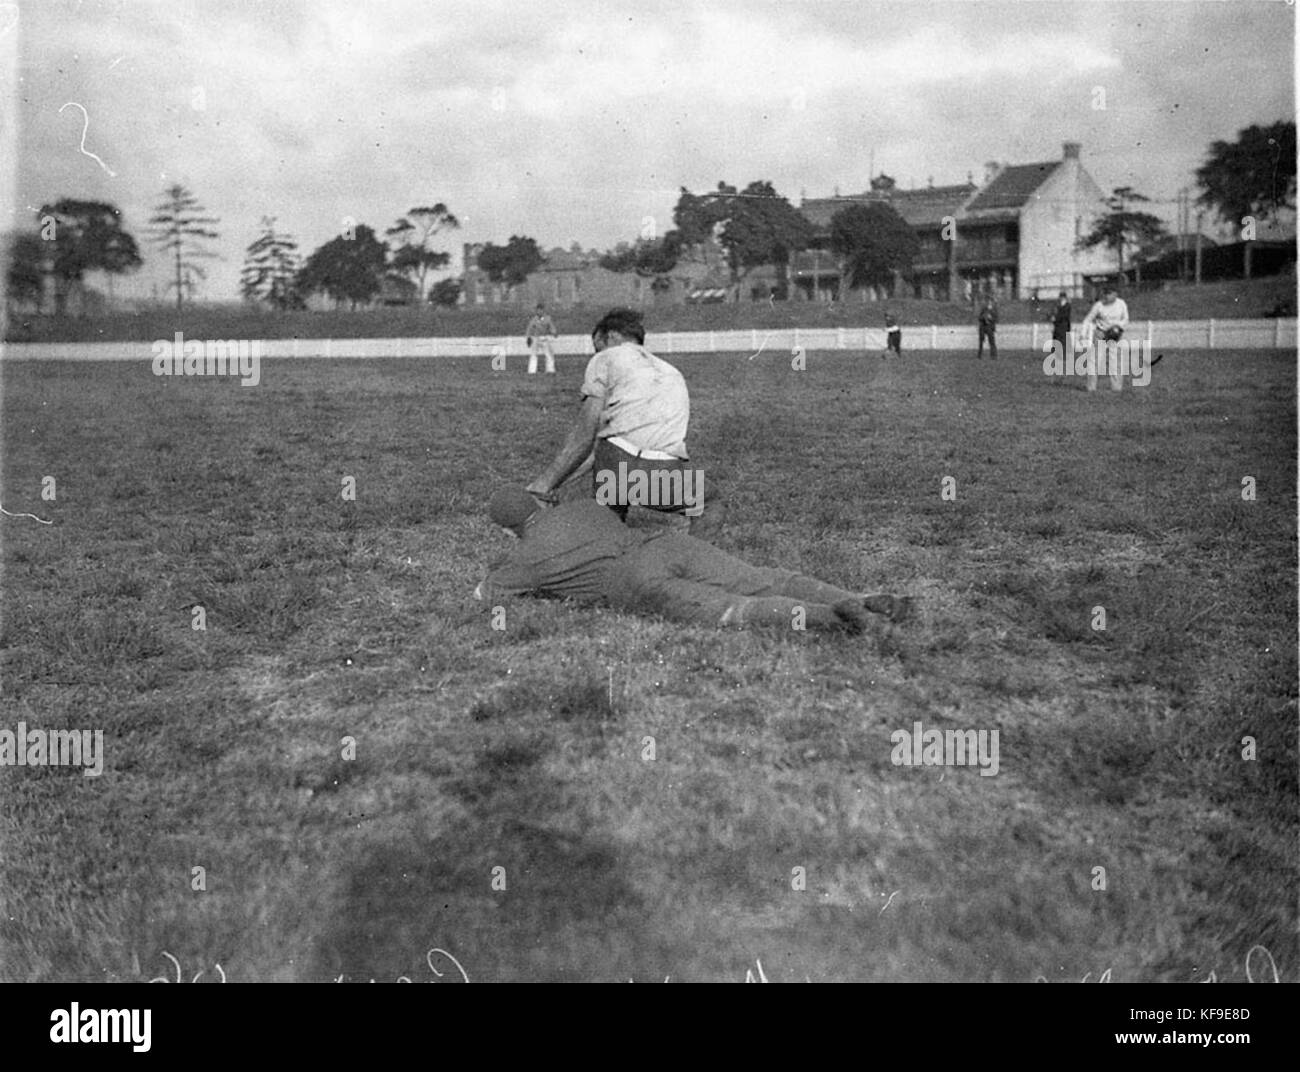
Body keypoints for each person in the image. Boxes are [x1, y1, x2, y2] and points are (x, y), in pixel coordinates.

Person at [475, 488, 913, 633]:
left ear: (508, 529)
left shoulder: (525, 559)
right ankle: (856, 596)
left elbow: (484, 593)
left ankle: (834, 617)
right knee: (764, 578)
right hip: (665, 544)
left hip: (630, 580)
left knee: (730, 610)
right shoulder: (583, 506)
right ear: (537, 501)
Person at [525, 307, 706, 528]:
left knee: (613, 502)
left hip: (619, 472)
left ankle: (608, 533)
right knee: (711, 505)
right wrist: (559, 484)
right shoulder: (672, 371)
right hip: (662, 475)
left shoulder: (606, 358)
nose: (595, 353)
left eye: (596, 347)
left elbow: (585, 437)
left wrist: (542, 485)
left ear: (610, 336)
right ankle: (697, 558)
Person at [1081, 285, 1130, 391]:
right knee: (1094, 361)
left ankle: (1116, 388)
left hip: (1115, 335)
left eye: (1109, 293)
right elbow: (1088, 319)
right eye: (1105, 293)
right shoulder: (1099, 305)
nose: (1107, 296)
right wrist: (1083, 334)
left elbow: (1126, 320)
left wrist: (1116, 326)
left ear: (1115, 294)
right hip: (1101, 334)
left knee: (1115, 361)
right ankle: (1091, 387)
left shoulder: (1121, 304)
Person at [524, 303, 557, 375]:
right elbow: (529, 329)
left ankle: (550, 369)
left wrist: (554, 332)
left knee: (548, 354)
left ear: (543, 311)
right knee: (533, 354)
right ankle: (532, 370)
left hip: (544, 337)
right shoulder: (534, 319)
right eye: (538, 310)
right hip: (536, 338)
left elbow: (551, 326)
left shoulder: (547, 318)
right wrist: (528, 337)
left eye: (540, 310)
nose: (539, 312)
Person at [1050, 290, 1072, 364]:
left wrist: (1056, 318)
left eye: (1063, 297)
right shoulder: (1057, 305)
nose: (1061, 298)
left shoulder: (1067, 306)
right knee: (1056, 340)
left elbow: (1065, 316)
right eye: (1061, 297)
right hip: (1057, 326)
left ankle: (1064, 357)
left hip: (1064, 325)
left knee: (1063, 341)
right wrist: (1052, 317)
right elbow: (1053, 313)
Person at [976, 294, 998, 359]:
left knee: (992, 342)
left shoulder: (994, 310)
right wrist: (983, 317)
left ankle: (993, 355)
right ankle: (979, 355)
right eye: (988, 301)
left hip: (990, 327)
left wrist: (991, 318)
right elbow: (979, 317)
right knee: (981, 341)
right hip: (983, 326)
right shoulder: (984, 309)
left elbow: (996, 318)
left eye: (990, 301)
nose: (989, 302)